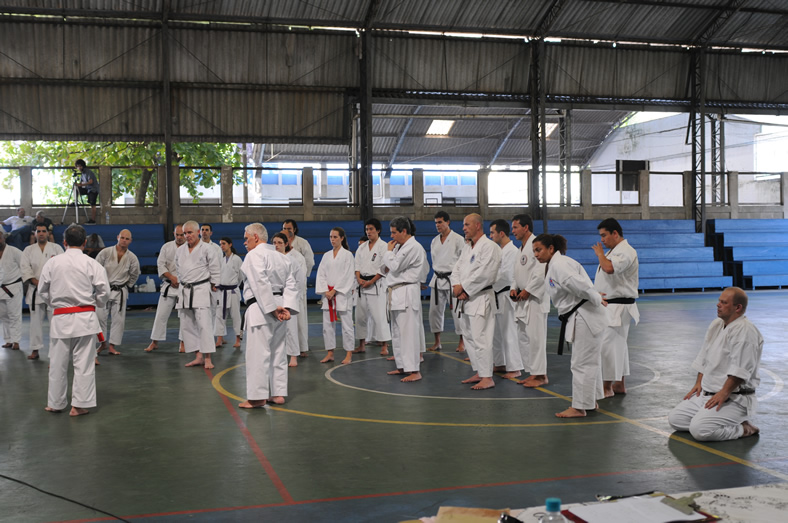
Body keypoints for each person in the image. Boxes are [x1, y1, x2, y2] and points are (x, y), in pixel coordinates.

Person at [667, 287, 763, 441]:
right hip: (708, 392)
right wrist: (699, 382)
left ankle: (743, 429)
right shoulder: (717, 324)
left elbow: (740, 370)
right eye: (719, 301)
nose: (718, 305)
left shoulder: (745, 332)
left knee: (700, 431)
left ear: (738, 308)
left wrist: (724, 392)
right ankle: (716, 419)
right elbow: (705, 356)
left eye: (724, 302)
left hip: (734, 398)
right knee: (676, 420)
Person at [533, 234, 608, 418]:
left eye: (539, 250)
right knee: (589, 361)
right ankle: (590, 401)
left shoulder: (559, 264)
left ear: (551, 249)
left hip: (585, 315)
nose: (536, 254)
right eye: (534, 251)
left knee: (581, 363)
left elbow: (578, 285)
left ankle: (579, 407)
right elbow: (578, 286)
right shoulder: (556, 264)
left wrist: (596, 297)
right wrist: (594, 295)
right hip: (582, 314)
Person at [39, 224, 110, 416]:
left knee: (57, 364)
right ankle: (78, 405)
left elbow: (42, 291)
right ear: (85, 243)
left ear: (64, 242)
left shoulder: (52, 263)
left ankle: (55, 403)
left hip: (61, 319)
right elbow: (104, 292)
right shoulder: (92, 264)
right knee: (84, 364)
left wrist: (56, 304)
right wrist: (95, 302)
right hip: (85, 319)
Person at [238, 223, 299, 408]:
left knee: (258, 354)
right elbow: (291, 284)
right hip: (280, 308)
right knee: (278, 352)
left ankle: (257, 398)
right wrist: (286, 308)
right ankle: (278, 393)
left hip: (261, 308)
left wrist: (272, 309)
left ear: (256, 237)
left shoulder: (254, 255)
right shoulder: (282, 257)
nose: (245, 243)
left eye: (246, 238)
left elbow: (260, 283)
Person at [451, 214, 501, 390]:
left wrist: (464, 288)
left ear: (478, 226)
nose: (463, 228)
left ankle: (487, 377)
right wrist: (456, 286)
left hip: (481, 297)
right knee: (469, 336)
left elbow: (486, 274)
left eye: (467, 225)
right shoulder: (467, 247)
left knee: (482, 338)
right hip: (466, 299)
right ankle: (480, 371)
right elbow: (456, 269)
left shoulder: (490, 247)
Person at [593, 218, 639, 398]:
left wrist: (600, 254)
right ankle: (619, 384)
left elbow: (609, 268)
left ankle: (607, 387)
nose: (602, 240)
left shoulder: (626, 251)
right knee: (618, 346)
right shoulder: (614, 251)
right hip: (611, 305)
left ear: (615, 233)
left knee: (608, 348)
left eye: (604, 235)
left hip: (618, 306)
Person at [382, 216, 428, 382]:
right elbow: (385, 268)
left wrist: (388, 253)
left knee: (408, 334)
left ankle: (414, 370)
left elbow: (394, 266)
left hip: (407, 292)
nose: (391, 236)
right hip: (395, 293)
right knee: (397, 333)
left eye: (394, 232)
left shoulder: (413, 247)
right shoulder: (399, 247)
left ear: (404, 231)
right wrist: (390, 256)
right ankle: (402, 366)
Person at [510, 214, 550, 388]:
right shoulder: (520, 249)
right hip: (522, 298)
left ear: (526, 227)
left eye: (515, 227)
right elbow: (515, 272)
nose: (513, 231)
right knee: (524, 338)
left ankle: (541, 376)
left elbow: (542, 271)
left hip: (535, 299)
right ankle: (533, 372)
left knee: (536, 339)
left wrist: (528, 290)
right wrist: (514, 287)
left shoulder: (537, 245)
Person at [176, 221, 221, 369]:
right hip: (185, 290)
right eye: (185, 233)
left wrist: (214, 284)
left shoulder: (207, 249)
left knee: (204, 325)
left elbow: (215, 268)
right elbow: (178, 270)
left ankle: (208, 357)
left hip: (201, 289)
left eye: (190, 232)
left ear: (198, 232)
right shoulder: (180, 250)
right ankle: (198, 356)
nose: (187, 236)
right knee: (187, 325)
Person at [21, 223, 64, 360]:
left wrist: (50, 283)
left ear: (48, 233)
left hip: (53, 291)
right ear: (35, 234)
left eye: (43, 231)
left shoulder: (56, 248)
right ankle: (35, 349)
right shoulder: (28, 250)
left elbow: (63, 267)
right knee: (35, 323)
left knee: (55, 323)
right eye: (38, 231)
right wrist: (35, 281)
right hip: (35, 290)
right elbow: (25, 268)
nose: (41, 233)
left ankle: (55, 352)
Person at [95, 229, 140, 357]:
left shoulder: (132, 257)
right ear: (117, 237)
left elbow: (135, 274)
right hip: (104, 289)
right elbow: (96, 268)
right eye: (122, 238)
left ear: (130, 241)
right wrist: (98, 285)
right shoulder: (105, 252)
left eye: (127, 239)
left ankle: (112, 346)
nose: (124, 241)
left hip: (120, 291)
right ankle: (102, 343)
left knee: (118, 319)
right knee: (99, 317)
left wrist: (127, 285)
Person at [316, 227, 355, 365]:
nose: (332, 239)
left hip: (342, 294)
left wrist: (335, 290)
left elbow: (348, 275)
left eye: (335, 237)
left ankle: (349, 353)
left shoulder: (348, 255)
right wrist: (325, 291)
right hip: (328, 295)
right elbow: (321, 274)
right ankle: (330, 353)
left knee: (347, 325)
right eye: (331, 237)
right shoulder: (326, 255)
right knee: (327, 326)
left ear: (342, 238)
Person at [427, 211, 466, 353]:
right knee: (434, 312)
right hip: (437, 279)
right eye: (436, 223)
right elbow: (434, 261)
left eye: (440, 222)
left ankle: (462, 342)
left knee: (457, 312)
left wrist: (461, 282)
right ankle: (437, 342)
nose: (437, 225)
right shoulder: (434, 241)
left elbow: (463, 261)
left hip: (453, 280)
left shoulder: (458, 239)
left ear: (448, 222)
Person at [489, 219, 523, 379]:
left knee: (509, 332)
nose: (490, 236)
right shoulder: (499, 250)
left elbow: (507, 275)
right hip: (496, 295)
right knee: (496, 333)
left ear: (501, 233)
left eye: (492, 233)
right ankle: (500, 362)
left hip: (506, 295)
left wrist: (487, 279)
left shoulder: (512, 251)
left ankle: (515, 367)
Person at [145, 225, 186, 353]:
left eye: (182, 235)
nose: (179, 237)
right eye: (177, 235)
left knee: (184, 316)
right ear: (174, 234)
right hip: (169, 285)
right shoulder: (166, 247)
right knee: (161, 315)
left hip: (184, 286)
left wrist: (180, 280)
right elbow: (161, 265)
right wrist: (171, 278)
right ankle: (154, 341)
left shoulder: (190, 248)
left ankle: (183, 342)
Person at [354, 218, 391, 356]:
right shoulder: (361, 247)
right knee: (360, 317)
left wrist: (371, 281)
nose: (368, 232)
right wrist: (358, 279)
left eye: (371, 229)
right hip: (362, 285)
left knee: (379, 316)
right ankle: (362, 345)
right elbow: (356, 265)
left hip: (376, 285)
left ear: (378, 230)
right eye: (367, 229)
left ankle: (384, 345)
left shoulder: (383, 246)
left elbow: (385, 268)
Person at [272, 232, 306, 367]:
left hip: (289, 298)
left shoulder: (293, 261)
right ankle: (277, 354)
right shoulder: (269, 260)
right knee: (274, 328)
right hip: (274, 297)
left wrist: (293, 297)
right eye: (274, 243)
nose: (277, 245)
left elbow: (300, 281)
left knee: (291, 329)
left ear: (286, 244)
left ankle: (293, 356)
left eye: (280, 243)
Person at [214, 237, 243, 348]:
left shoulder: (236, 259)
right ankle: (219, 339)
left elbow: (241, 276)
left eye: (224, 243)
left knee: (236, 316)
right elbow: (218, 275)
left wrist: (234, 285)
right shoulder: (221, 260)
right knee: (219, 315)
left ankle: (238, 339)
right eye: (220, 244)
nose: (222, 246)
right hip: (222, 291)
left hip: (233, 291)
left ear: (230, 244)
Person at [0, 232, 24, 351]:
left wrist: (24, 282)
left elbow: (24, 266)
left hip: (13, 287)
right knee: (3, 316)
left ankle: (16, 341)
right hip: (0, 289)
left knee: (14, 315)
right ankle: (8, 340)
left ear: (4, 238)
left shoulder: (14, 251)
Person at [75, 159, 99, 224]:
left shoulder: (88, 172)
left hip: (93, 189)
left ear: (83, 166)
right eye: (77, 166)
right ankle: (75, 201)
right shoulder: (82, 174)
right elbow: (81, 183)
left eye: (80, 166)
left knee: (92, 204)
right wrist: (78, 185)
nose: (79, 168)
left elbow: (91, 182)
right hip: (87, 189)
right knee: (76, 189)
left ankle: (93, 220)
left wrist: (81, 185)